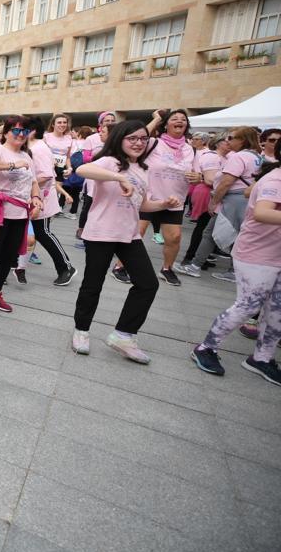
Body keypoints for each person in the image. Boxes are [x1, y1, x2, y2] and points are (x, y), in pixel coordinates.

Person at [71, 120, 181, 362]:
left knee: (148, 284)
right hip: (101, 232)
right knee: (93, 284)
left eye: (143, 138)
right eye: (132, 138)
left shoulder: (143, 169)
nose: (138, 143)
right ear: (119, 138)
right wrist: (118, 178)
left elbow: (142, 204)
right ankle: (81, 330)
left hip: (129, 234)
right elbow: (82, 170)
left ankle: (124, 334)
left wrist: (163, 204)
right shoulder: (110, 161)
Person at [191, 161, 280, 384]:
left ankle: (262, 358)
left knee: (277, 311)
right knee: (249, 305)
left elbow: (250, 190)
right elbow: (262, 212)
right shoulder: (276, 179)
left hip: (276, 255)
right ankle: (205, 348)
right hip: (257, 254)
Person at [0, 116, 42, 321]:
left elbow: (34, 181)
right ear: (6, 133)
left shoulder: (27, 156)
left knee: (9, 256)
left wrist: (36, 198)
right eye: (16, 131)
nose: (21, 135)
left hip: (20, 213)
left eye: (24, 132)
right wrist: (13, 164)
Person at [180, 126, 261, 282]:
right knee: (236, 235)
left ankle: (195, 266)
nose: (228, 141)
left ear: (242, 140)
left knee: (210, 233)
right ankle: (232, 270)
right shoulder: (256, 156)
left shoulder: (238, 157)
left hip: (232, 200)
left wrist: (214, 202)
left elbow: (226, 182)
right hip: (244, 200)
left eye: (231, 138)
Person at [131, 109, 196, 286]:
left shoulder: (190, 149)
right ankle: (121, 266)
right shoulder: (154, 142)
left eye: (183, 119)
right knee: (137, 232)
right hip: (149, 197)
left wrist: (199, 178)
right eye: (174, 118)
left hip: (174, 200)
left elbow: (196, 173)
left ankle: (167, 269)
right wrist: (157, 119)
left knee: (174, 238)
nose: (179, 121)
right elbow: (138, 135)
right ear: (166, 125)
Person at [21, 116, 76, 285]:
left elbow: (45, 175)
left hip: (41, 198)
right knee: (34, 232)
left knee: (43, 233)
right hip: (35, 197)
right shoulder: (32, 146)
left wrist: (30, 190)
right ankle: (14, 264)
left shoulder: (39, 149)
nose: (19, 133)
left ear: (32, 131)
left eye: (22, 129)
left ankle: (66, 267)